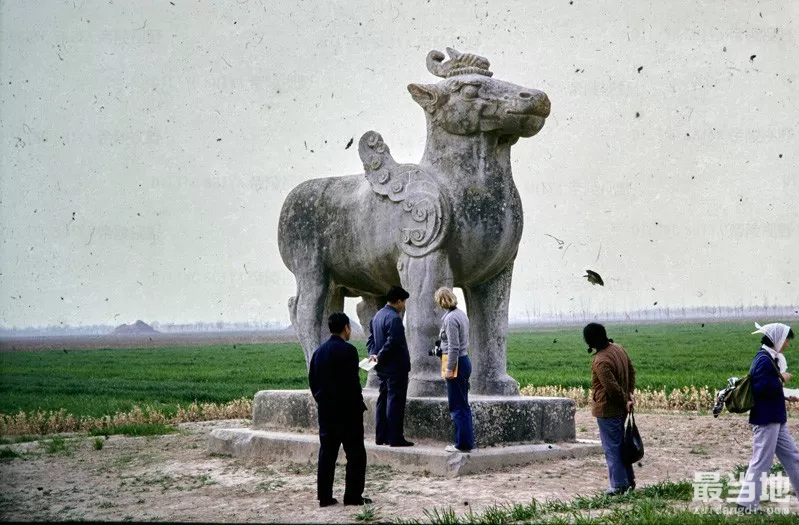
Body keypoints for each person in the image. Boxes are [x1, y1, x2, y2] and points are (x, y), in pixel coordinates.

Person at [308, 312, 371, 507]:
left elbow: (313, 381)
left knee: (327, 454)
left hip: (327, 412)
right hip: (349, 413)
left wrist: (322, 401)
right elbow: (352, 383)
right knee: (356, 455)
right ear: (346, 328)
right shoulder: (349, 351)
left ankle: (324, 497)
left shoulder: (318, 352)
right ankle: (352, 496)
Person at [737, 322, 798, 512]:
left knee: (793, 458)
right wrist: (782, 378)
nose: (787, 343)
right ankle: (745, 505)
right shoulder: (764, 360)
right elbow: (762, 387)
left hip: (776, 419)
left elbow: (768, 389)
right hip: (766, 420)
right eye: (786, 339)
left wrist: (787, 395)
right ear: (777, 339)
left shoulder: (769, 358)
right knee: (762, 461)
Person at [584, 322, 636, 495]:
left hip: (608, 409)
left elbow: (611, 387)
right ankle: (628, 480)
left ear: (589, 341)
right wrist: (629, 394)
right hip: (620, 408)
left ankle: (619, 485)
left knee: (612, 448)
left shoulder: (600, 360)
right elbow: (632, 371)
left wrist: (624, 399)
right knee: (621, 445)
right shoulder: (618, 349)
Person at [367, 285, 414, 447]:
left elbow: (371, 340)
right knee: (395, 402)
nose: (404, 306)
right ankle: (395, 438)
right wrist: (379, 356)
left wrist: (373, 355)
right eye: (404, 302)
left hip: (382, 368)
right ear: (399, 301)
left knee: (383, 400)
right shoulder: (394, 318)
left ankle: (381, 436)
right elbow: (393, 341)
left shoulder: (377, 316)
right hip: (396, 368)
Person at [434, 287, 475, 453]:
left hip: (456, 363)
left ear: (441, 301)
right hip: (464, 361)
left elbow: (453, 346)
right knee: (463, 404)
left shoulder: (450, 319)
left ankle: (462, 444)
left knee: (457, 406)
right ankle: (466, 441)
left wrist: (449, 369)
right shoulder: (460, 315)